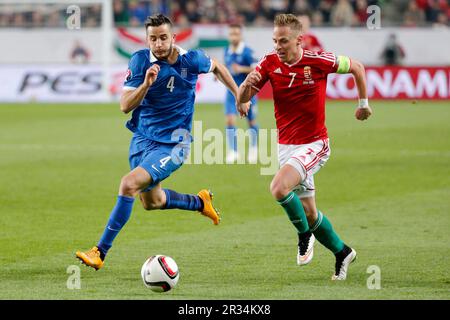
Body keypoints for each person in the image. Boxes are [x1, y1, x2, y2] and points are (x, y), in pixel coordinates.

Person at [76, 14, 249, 270]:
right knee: (152, 202)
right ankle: (200, 202)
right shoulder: (139, 62)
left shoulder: (191, 60)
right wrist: (145, 84)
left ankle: (99, 252)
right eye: (153, 39)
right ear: (147, 39)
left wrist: (239, 95)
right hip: (142, 140)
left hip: (174, 145)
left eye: (163, 37)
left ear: (173, 38)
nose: (158, 44)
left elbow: (218, 67)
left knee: (128, 184)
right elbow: (125, 106)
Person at [237, 13, 372, 280]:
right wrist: (245, 88)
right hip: (285, 147)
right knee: (309, 213)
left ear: (299, 40)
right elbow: (244, 100)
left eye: (283, 41)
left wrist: (363, 104)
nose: (278, 46)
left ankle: (303, 236)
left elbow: (357, 66)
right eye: (275, 40)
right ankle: (342, 252)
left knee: (278, 187)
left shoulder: (318, 61)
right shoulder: (269, 62)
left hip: (314, 144)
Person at [223, 24, 259, 163]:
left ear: (241, 35)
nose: (234, 37)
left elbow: (256, 69)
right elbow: (227, 67)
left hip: (247, 92)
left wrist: (242, 69)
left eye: (236, 34)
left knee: (251, 121)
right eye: (231, 34)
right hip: (231, 92)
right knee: (230, 120)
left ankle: (254, 149)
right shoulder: (227, 50)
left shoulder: (247, 52)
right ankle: (233, 151)